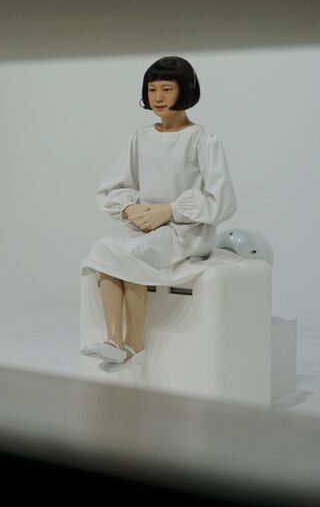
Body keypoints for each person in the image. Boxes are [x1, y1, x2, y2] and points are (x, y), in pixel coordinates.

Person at [81, 56, 238, 365]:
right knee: (104, 248)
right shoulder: (140, 138)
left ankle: (134, 345)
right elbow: (115, 185)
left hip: (187, 231)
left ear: (185, 90)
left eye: (167, 89)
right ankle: (114, 340)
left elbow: (222, 200)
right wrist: (130, 209)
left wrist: (171, 211)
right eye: (152, 89)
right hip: (145, 225)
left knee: (134, 253)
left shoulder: (202, 140)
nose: (158, 97)